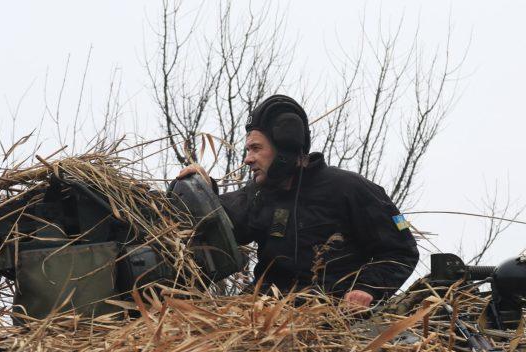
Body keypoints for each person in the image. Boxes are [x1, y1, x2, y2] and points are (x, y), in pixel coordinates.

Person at [178, 95, 419, 307]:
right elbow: (221, 220)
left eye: (255, 148)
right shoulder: (259, 194)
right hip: (263, 312)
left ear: (285, 146)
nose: (247, 159)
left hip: (330, 317)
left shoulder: (350, 189)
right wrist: (203, 189)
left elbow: (400, 250)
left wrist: (367, 289)